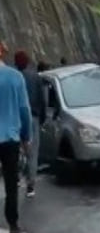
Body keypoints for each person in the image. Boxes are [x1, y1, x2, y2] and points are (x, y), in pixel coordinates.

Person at [0, 41, 31, 233]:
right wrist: (26, 137)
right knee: (12, 183)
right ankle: (13, 223)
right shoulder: (15, 77)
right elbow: (24, 110)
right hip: (10, 138)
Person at [14, 51, 46, 198]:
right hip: (32, 116)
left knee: (17, 149)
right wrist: (43, 117)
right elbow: (42, 99)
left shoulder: (12, 77)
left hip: (14, 118)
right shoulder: (35, 77)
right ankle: (30, 185)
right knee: (32, 152)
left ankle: (17, 175)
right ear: (27, 62)